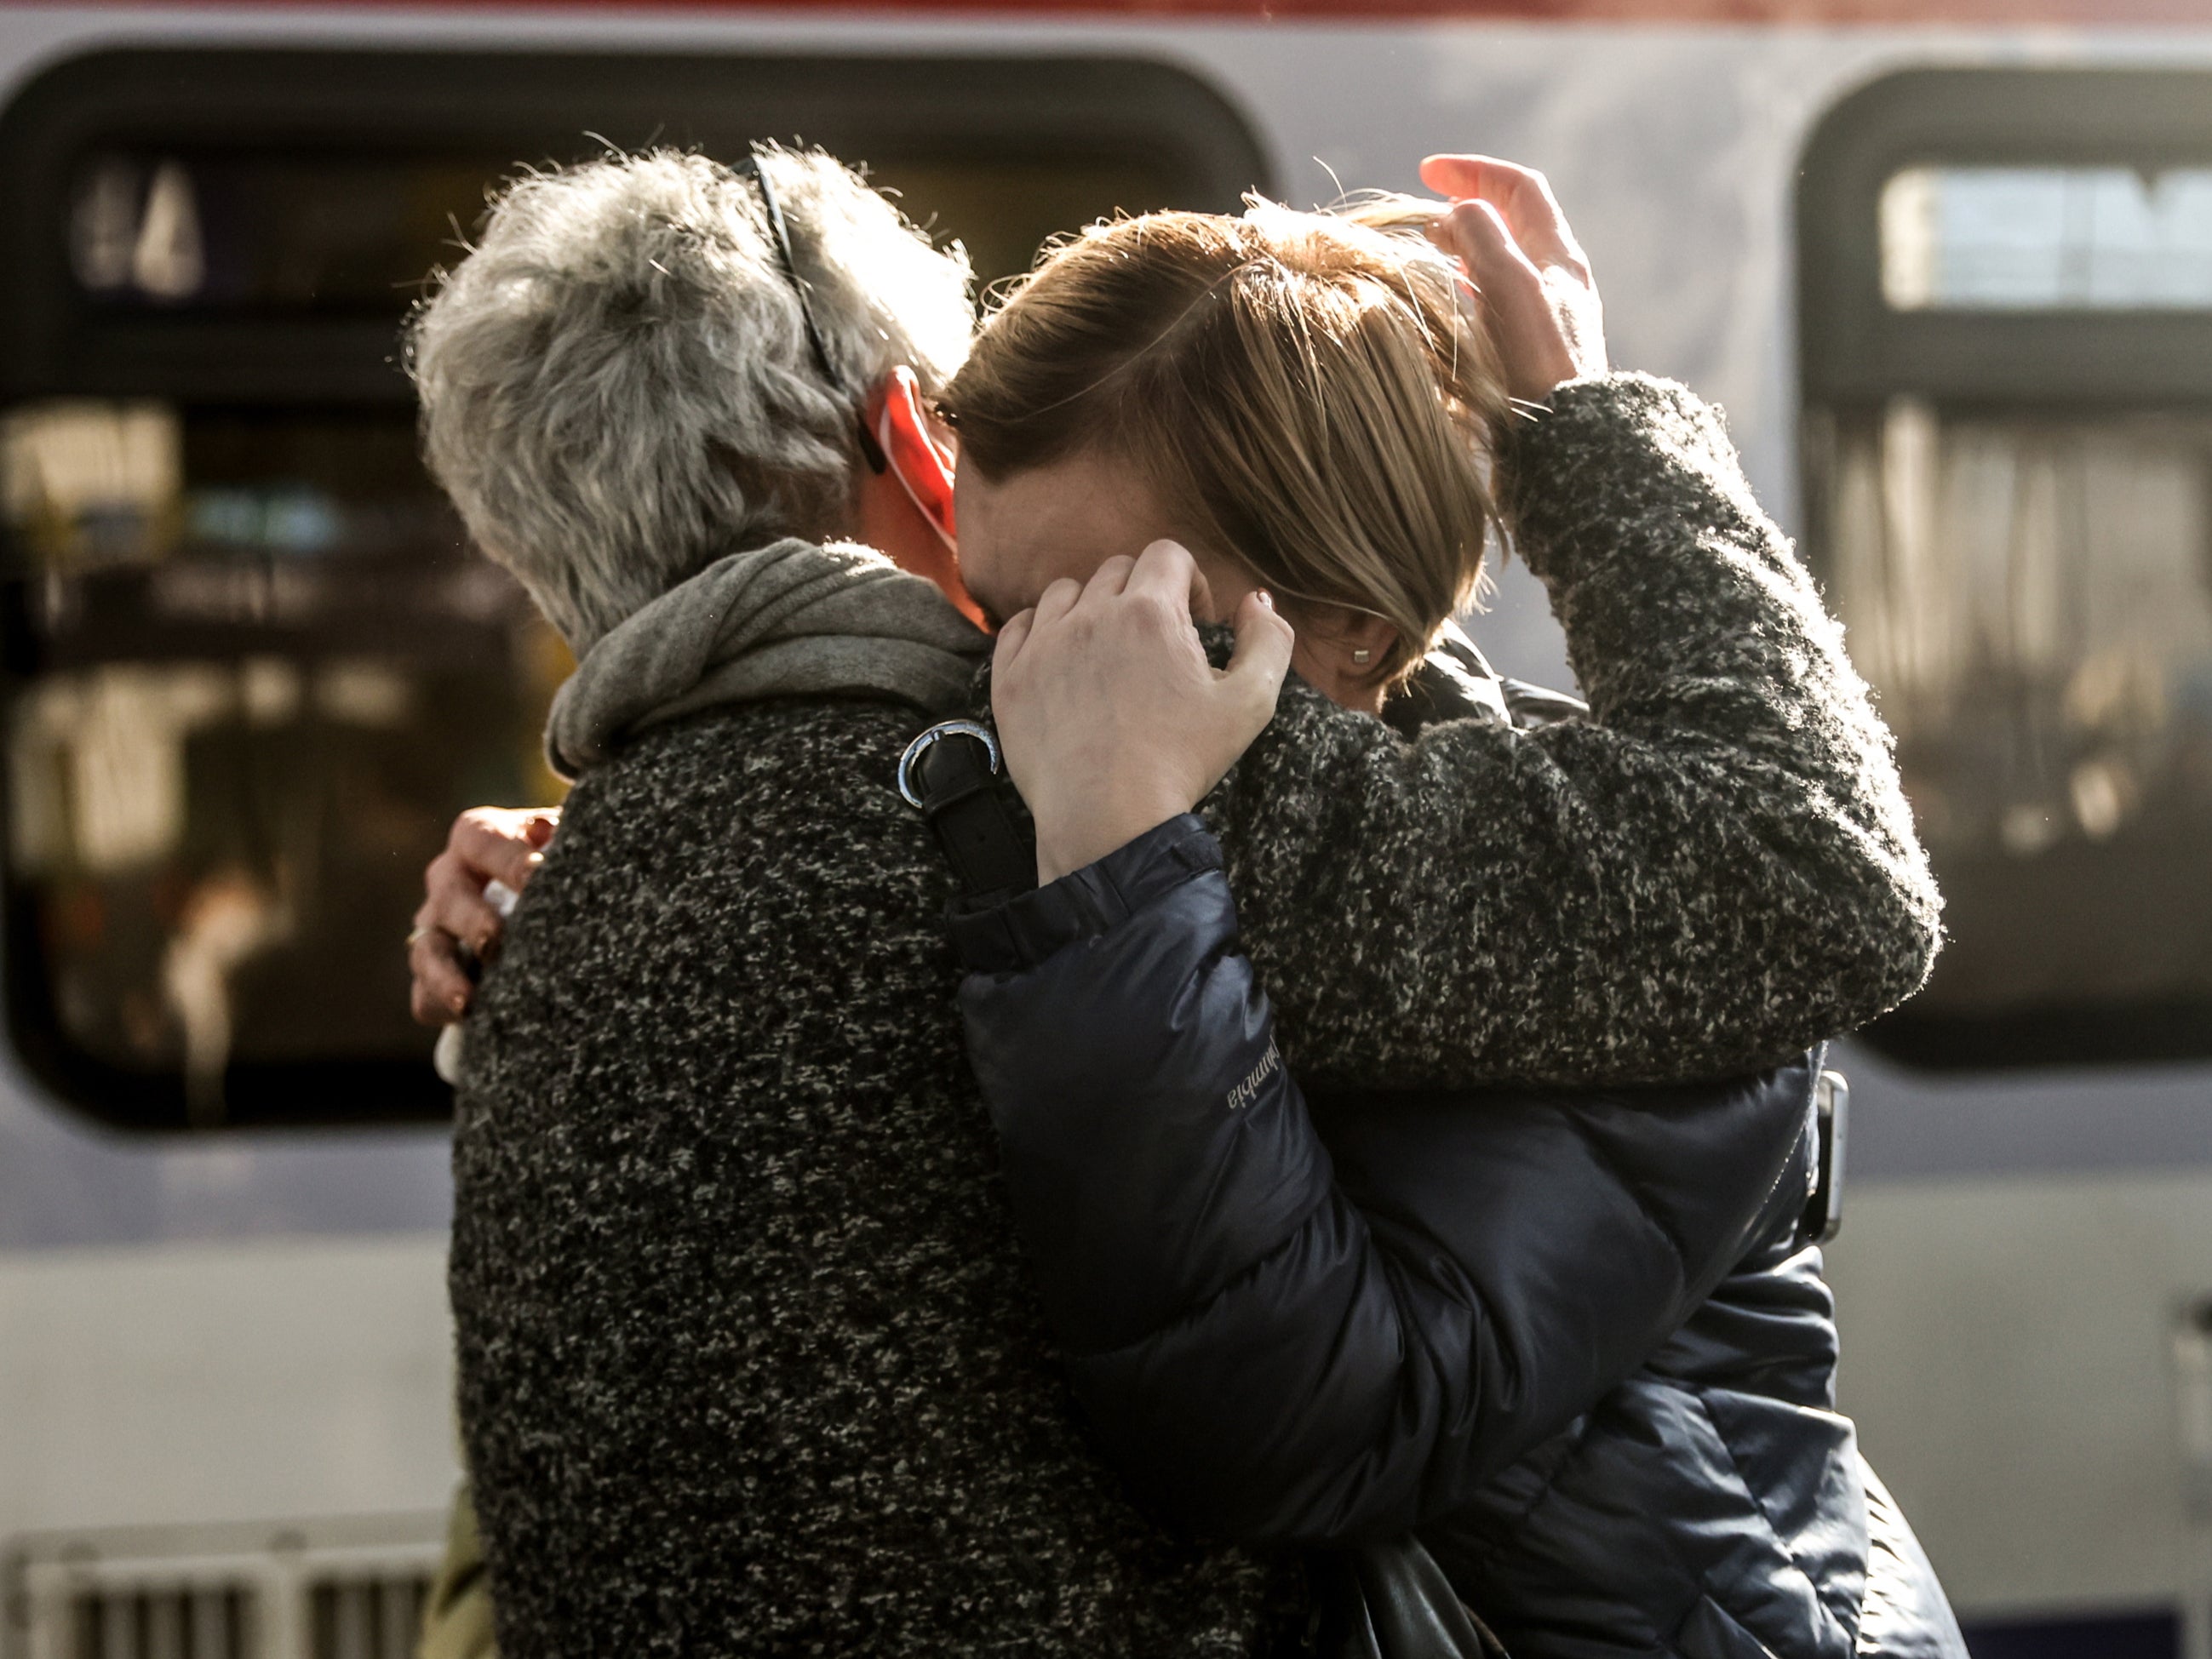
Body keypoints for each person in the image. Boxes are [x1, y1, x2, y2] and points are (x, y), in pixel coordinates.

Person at [405, 144, 1940, 1656]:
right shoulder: (1115, 797)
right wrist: (1583, 430)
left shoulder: (551, 913)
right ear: (923, 445)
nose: (1045, 662)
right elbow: (1816, 858)